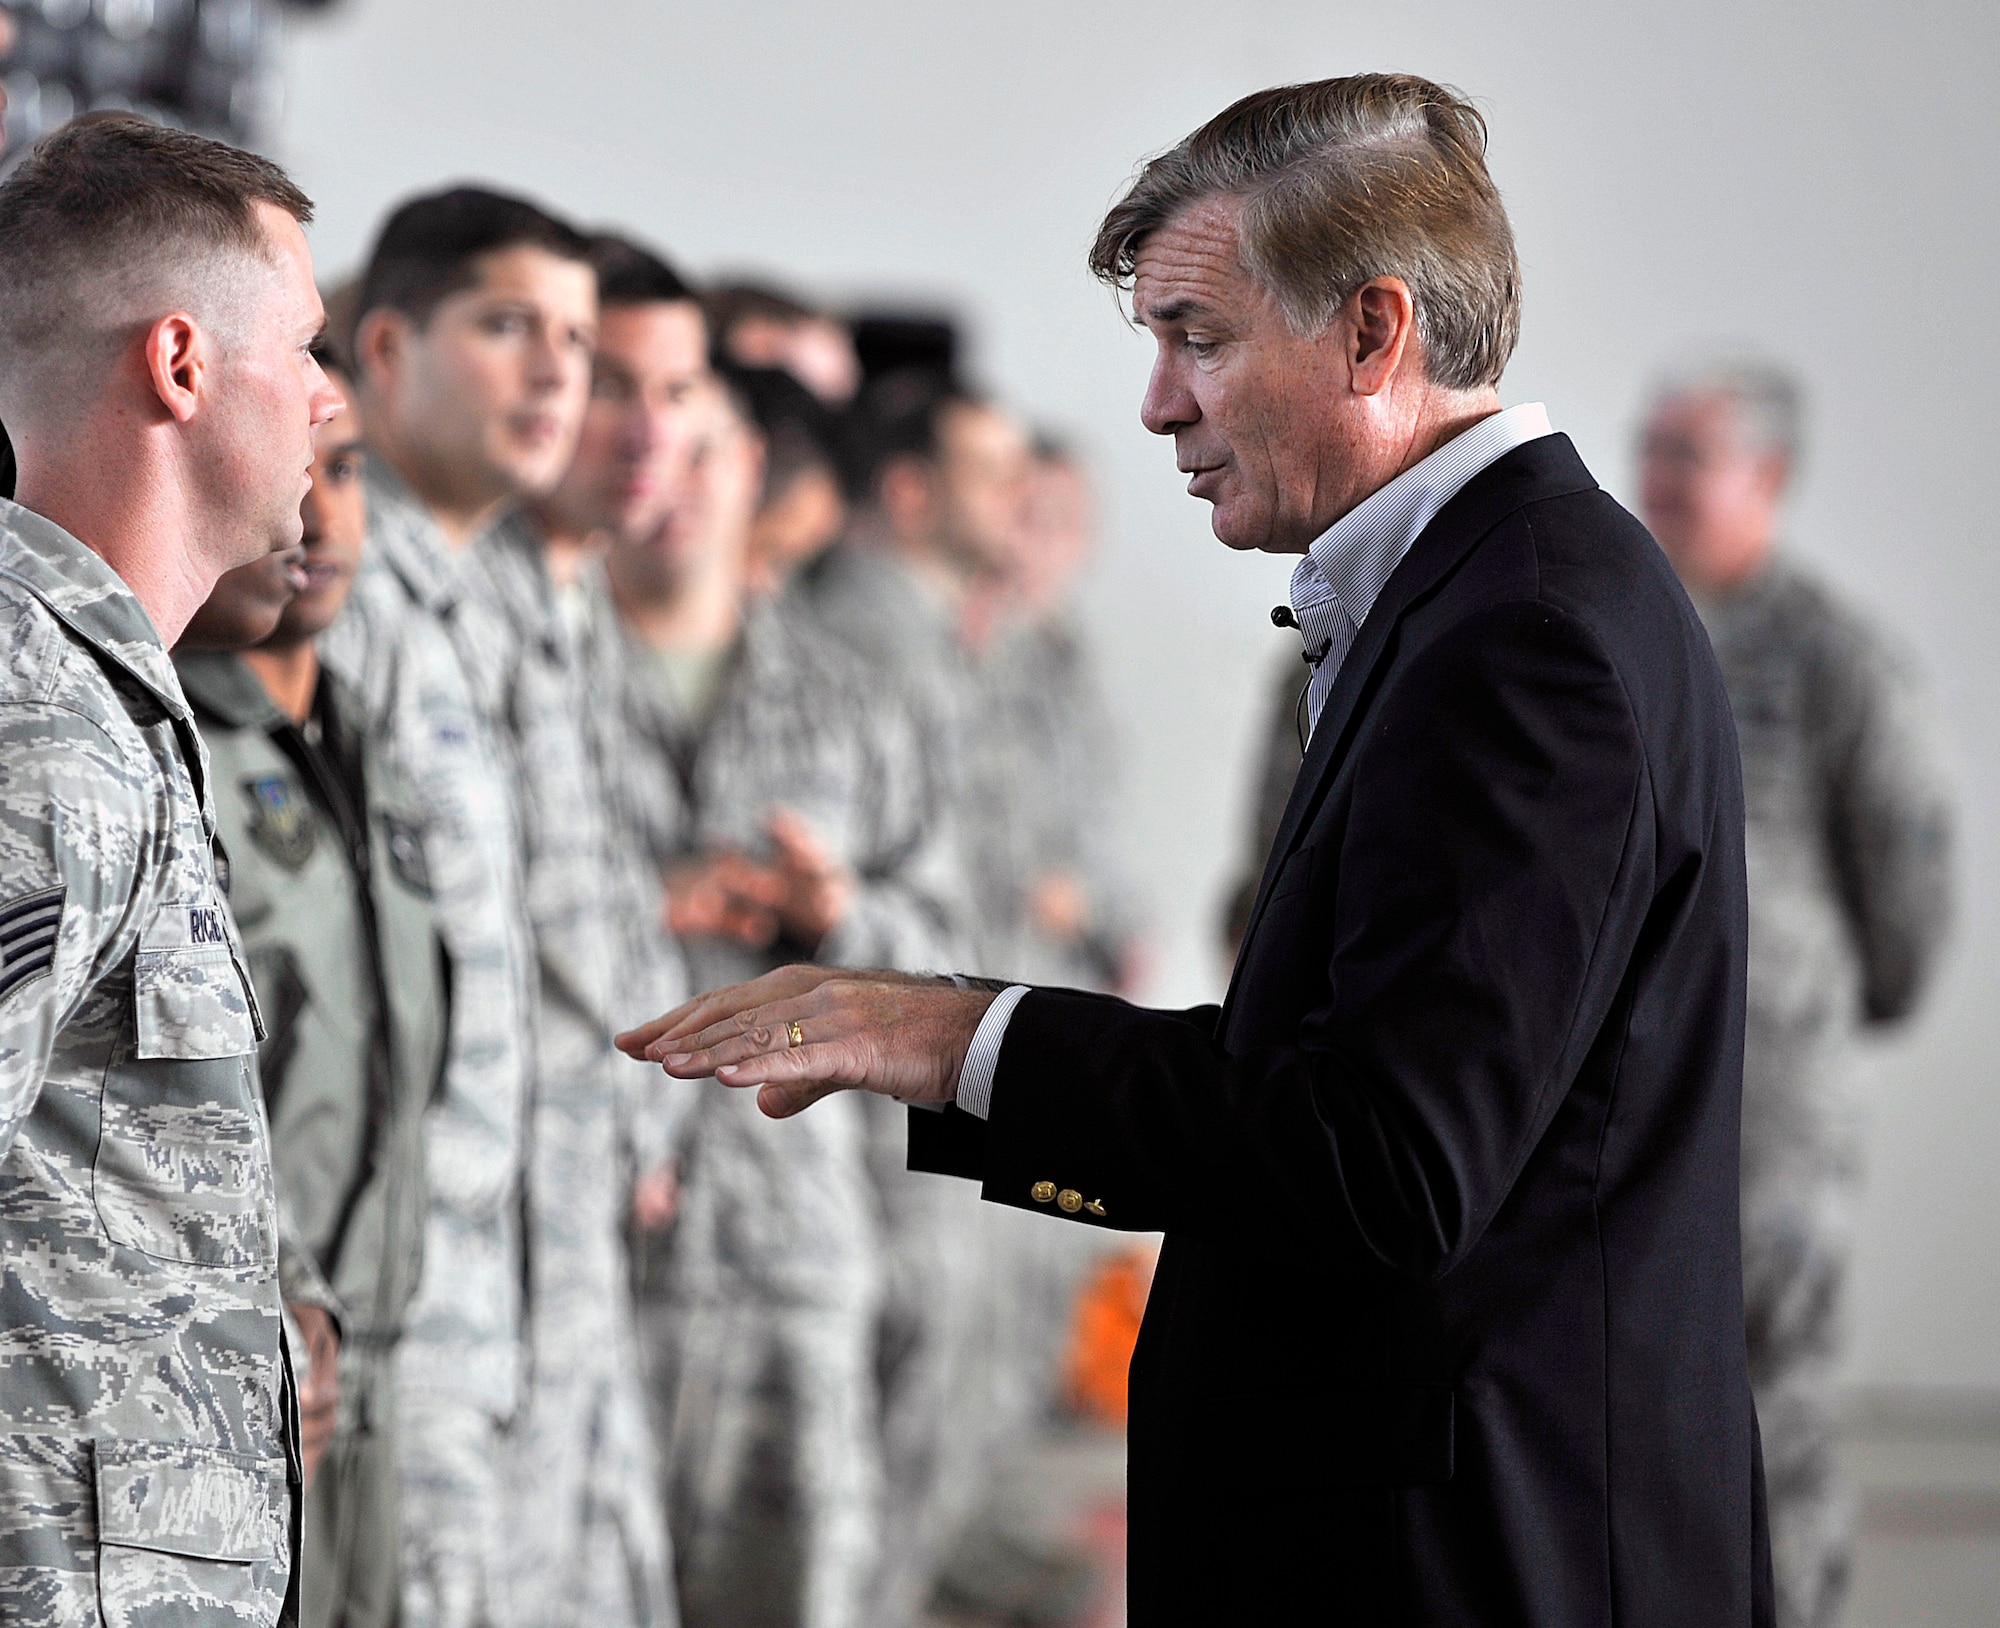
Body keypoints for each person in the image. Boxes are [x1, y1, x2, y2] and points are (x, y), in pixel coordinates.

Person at [625, 73, 1774, 1625]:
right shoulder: (1488, 595)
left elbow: (1389, 1161)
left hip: (1479, 1561)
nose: (1161, 402)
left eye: (1201, 338)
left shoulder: (1528, 638)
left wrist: (961, 1038)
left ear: (1375, 332)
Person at [0, 115, 340, 1623]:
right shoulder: (36, 717)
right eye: (310, 348)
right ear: (183, 365)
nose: (333, 403)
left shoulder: (104, 690)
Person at [580, 330, 955, 1624]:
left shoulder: (854, 703)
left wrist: (841, 908)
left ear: (755, 469)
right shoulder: (539, 678)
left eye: (705, 449)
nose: (672, 480)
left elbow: (963, 955)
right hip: (580, 1243)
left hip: (788, 1240)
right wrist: (644, 903)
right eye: (649, 450)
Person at [1639, 363, 1953, 1628]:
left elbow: (1907, 890)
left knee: (1775, 1399)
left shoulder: (1836, 659)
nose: (1651, 478)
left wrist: (1807, 1020)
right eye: (1647, 447)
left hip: (1769, 1112)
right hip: (1634, 1092)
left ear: (1762, 478)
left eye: (1684, 455)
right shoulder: (1620, 625)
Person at [322, 185, 583, 1628]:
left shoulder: (491, 599)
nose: (557, 373)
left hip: (494, 1305)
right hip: (383, 1317)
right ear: (383, 351)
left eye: (573, 338)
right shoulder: (328, 597)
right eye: (506, 328)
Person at [174, 357, 449, 1628]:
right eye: (305, 472)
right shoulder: (175, 748)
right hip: (241, 1356)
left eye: (348, 475)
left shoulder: (371, 748)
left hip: (375, 1370)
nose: (323, 519)